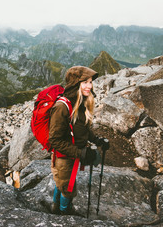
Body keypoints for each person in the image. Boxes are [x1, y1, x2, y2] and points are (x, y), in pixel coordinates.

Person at [48, 66, 107, 215]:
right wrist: (80, 152)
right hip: (64, 158)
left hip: (71, 157)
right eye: (85, 82)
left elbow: (82, 128)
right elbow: (54, 140)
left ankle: (55, 209)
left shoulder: (79, 102)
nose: (89, 86)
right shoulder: (62, 107)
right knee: (67, 188)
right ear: (75, 83)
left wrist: (97, 140)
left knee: (62, 183)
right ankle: (64, 214)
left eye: (90, 82)